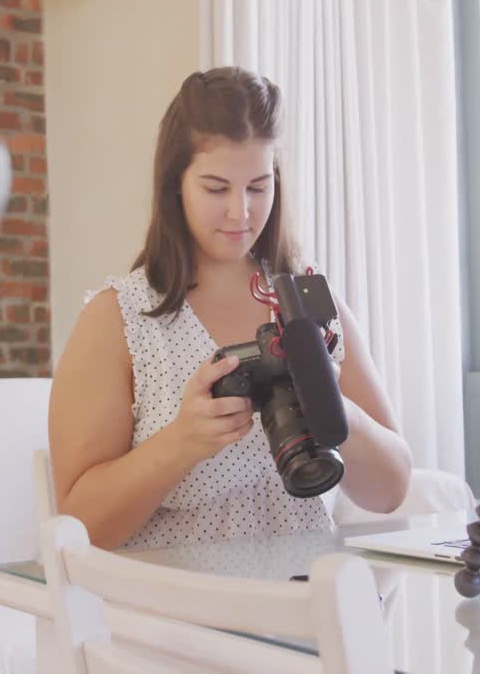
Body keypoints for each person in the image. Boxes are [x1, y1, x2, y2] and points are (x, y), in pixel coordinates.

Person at [48, 66, 412, 550]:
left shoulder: (309, 302)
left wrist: (330, 402)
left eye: (258, 187)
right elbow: (78, 527)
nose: (241, 213)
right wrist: (182, 442)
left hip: (300, 602)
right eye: (216, 189)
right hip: (174, 610)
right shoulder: (119, 319)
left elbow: (390, 491)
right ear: (175, 185)